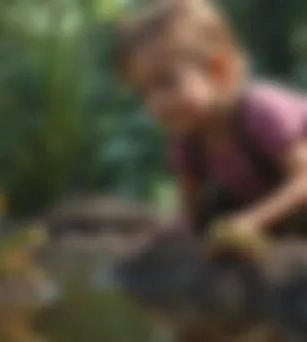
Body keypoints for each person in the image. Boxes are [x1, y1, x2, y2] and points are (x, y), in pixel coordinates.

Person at [116, 0, 307, 251]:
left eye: (166, 82)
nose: (156, 103)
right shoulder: (188, 140)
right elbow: (190, 214)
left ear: (218, 69)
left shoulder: (261, 112)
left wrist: (251, 221)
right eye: (145, 92)